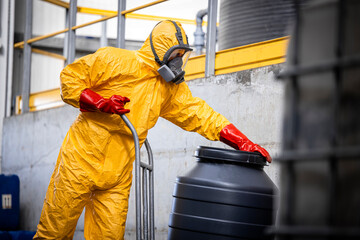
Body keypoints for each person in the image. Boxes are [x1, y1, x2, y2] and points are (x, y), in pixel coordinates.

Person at [33, 20, 271, 240]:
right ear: (159, 51)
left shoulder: (168, 90)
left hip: (117, 176)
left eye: (181, 55)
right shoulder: (113, 60)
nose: (178, 62)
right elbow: (70, 78)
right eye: (175, 55)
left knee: (109, 236)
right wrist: (99, 102)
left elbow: (200, 115)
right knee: (55, 232)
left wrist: (242, 142)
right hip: (79, 162)